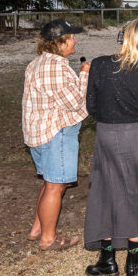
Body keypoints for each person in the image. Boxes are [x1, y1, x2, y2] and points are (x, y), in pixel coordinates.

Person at [83, 19, 138, 276]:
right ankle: (132, 263)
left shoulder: (100, 65)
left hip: (109, 134)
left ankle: (108, 261)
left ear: (125, 37)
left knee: (107, 193)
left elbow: (91, 106)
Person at [22, 19, 89, 251]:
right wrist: (84, 74)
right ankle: (48, 239)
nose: (75, 41)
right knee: (55, 186)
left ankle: (37, 229)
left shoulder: (36, 63)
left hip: (40, 133)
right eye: (71, 38)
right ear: (59, 43)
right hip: (56, 134)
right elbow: (75, 102)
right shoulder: (55, 68)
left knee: (50, 182)